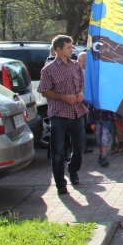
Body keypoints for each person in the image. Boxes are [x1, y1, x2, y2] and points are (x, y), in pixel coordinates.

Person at [38, 35, 88, 195]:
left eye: (71, 46)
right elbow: (44, 91)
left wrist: (80, 93)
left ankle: (73, 170)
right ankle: (61, 183)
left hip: (76, 112)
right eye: (68, 47)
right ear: (58, 50)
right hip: (59, 114)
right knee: (58, 150)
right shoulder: (48, 69)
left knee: (80, 146)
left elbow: (81, 84)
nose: (71, 49)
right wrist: (62, 97)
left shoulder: (76, 66)